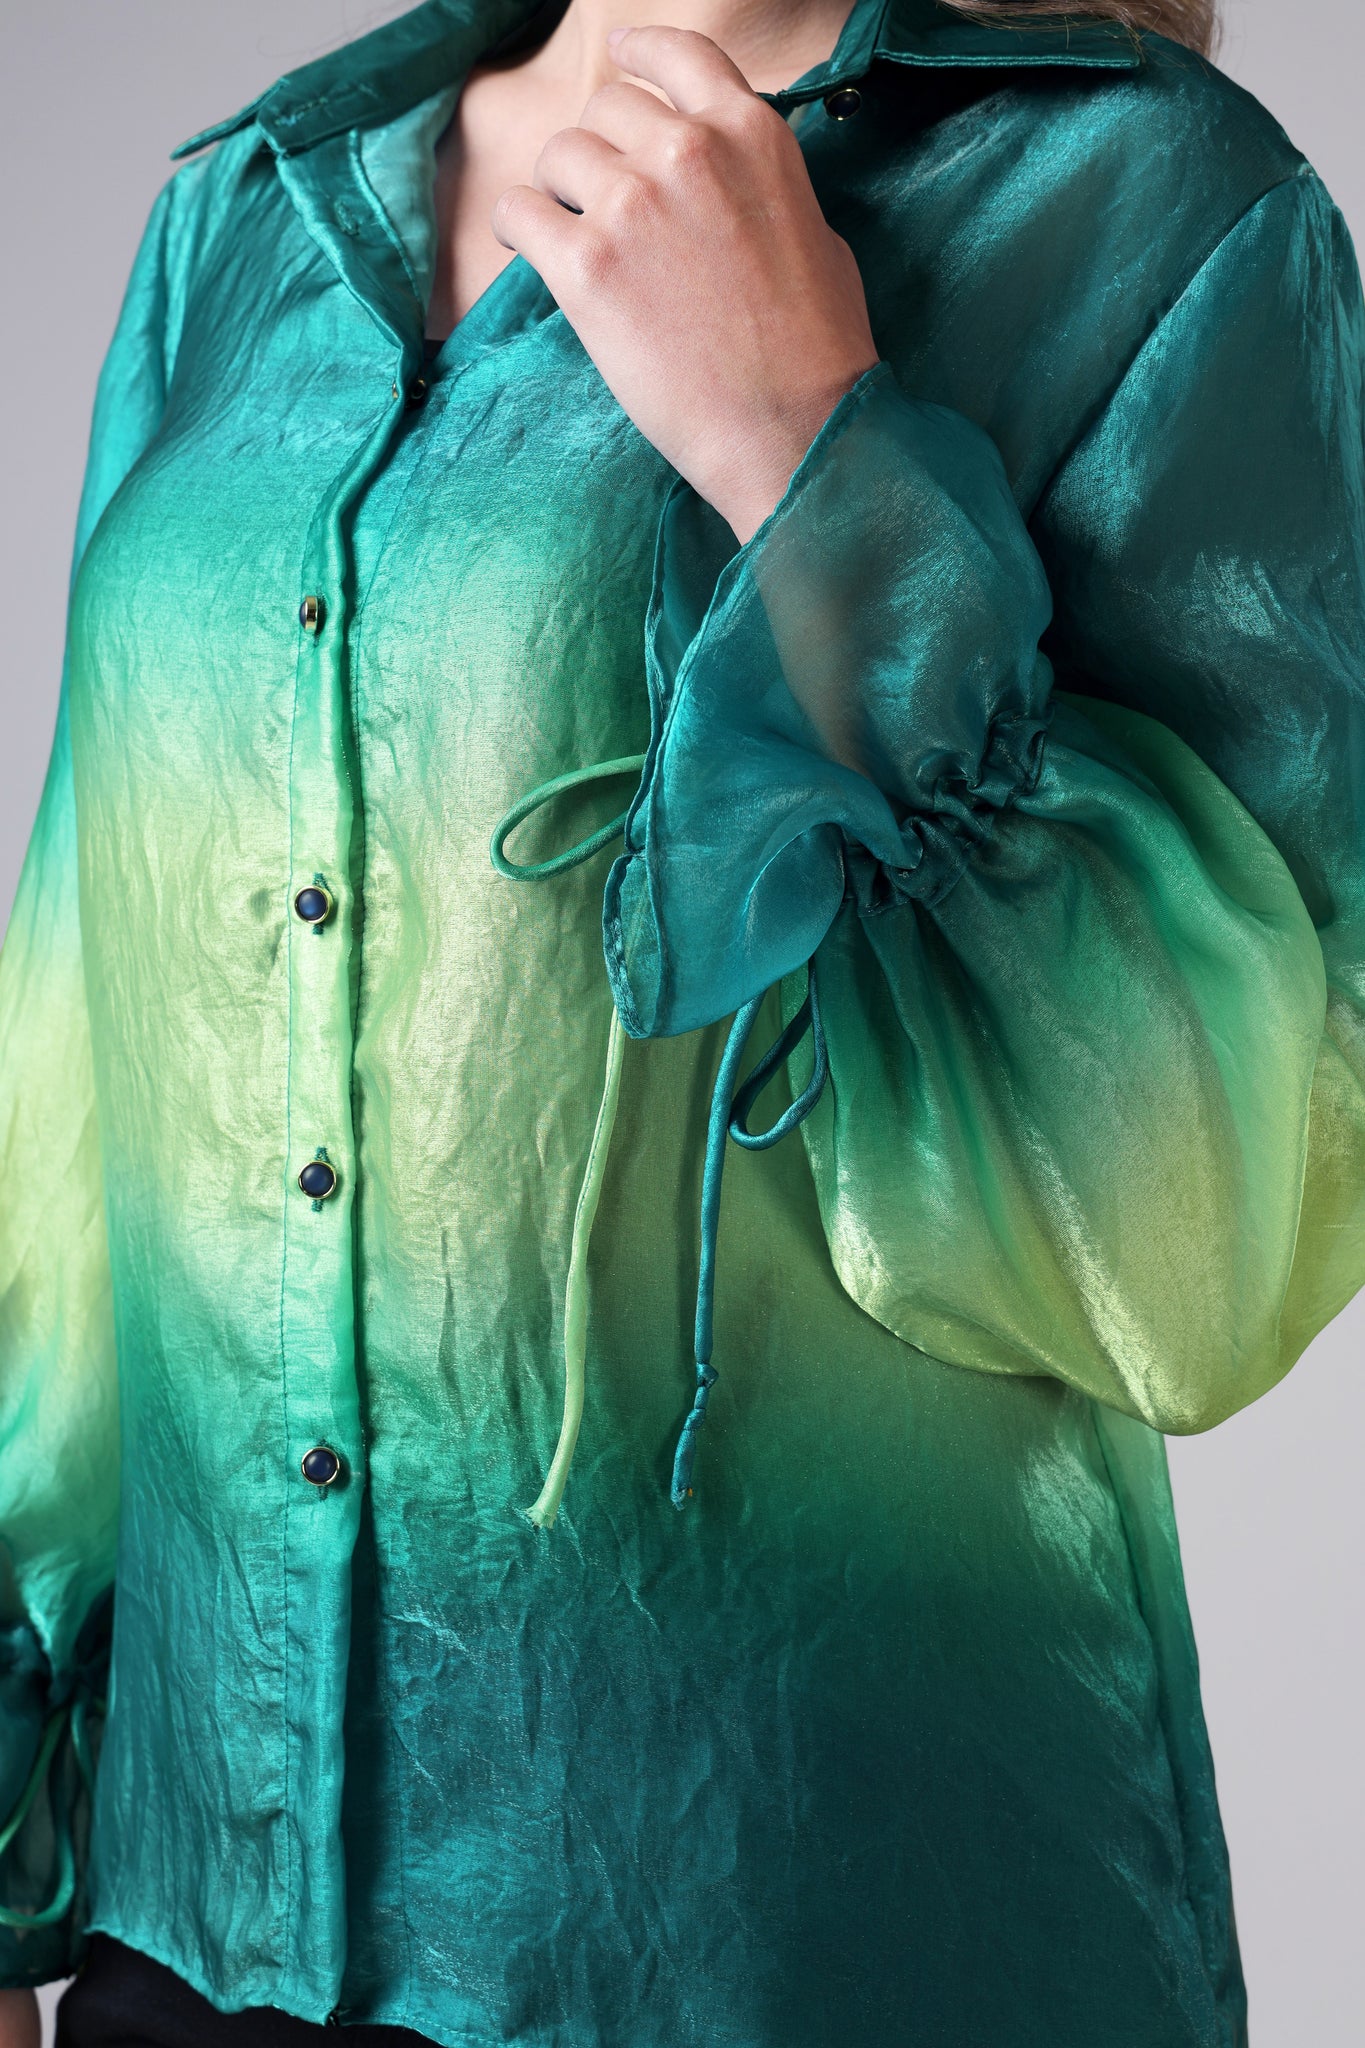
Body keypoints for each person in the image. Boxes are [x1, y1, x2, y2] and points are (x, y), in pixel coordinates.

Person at [1, 0, 1361, 2039]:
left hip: (813, 1936)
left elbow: (1204, 1244)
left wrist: (807, 452)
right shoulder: (246, 212)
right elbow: (72, 1091)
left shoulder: (1150, 204)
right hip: (188, 1935)